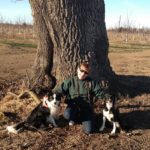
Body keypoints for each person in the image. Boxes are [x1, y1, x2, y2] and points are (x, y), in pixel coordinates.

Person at [53, 62, 105, 134]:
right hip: (73, 107)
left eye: (86, 72)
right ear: (77, 70)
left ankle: (84, 119)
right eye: (81, 71)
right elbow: (57, 91)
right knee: (67, 114)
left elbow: (100, 93)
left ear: (88, 74)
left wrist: (106, 98)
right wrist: (52, 99)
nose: (83, 74)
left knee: (89, 130)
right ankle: (74, 118)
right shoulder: (70, 81)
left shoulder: (91, 82)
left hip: (86, 108)